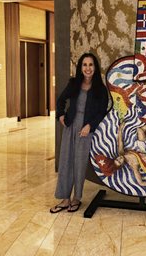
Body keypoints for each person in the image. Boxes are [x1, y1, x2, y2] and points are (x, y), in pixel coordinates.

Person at [50, 53, 108, 213]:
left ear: (95, 68)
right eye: (84, 65)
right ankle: (64, 198)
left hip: (86, 131)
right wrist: (60, 115)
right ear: (80, 67)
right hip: (70, 127)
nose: (87, 68)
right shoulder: (74, 83)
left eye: (90, 65)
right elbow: (61, 100)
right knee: (65, 162)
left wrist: (90, 125)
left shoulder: (101, 89)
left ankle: (77, 198)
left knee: (79, 164)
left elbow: (102, 112)